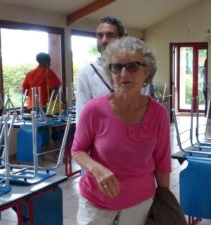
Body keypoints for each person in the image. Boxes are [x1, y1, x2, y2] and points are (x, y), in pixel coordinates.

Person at [71, 36, 171, 225]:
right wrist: (97, 169)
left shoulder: (158, 114)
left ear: (146, 71)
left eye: (132, 66)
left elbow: (162, 162)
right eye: (117, 67)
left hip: (140, 204)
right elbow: (77, 150)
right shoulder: (94, 110)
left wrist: (165, 202)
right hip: (96, 204)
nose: (124, 73)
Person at [75, 16, 126, 121]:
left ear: (122, 38)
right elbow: (82, 120)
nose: (104, 40)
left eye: (110, 35)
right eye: (100, 35)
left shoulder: (136, 71)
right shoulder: (86, 74)